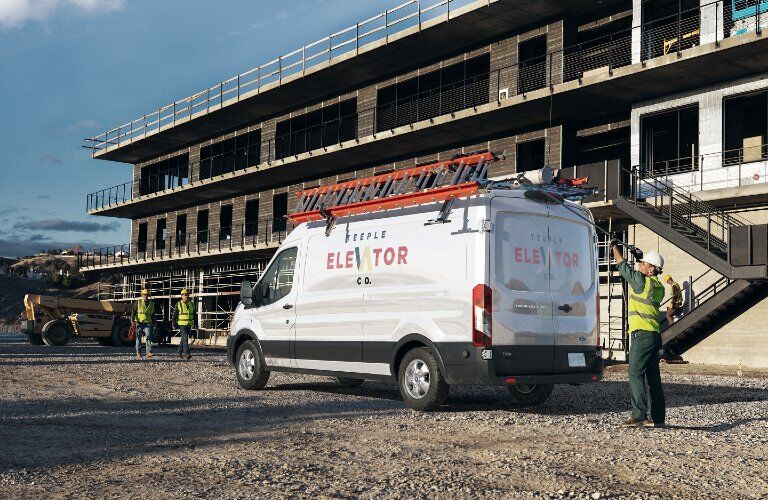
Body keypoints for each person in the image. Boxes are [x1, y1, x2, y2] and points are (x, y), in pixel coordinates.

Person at [611, 241, 666, 428]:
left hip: (642, 336)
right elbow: (638, 271)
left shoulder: (641, 282)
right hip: (654, 336)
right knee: (653, 378)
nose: (640, 265)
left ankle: (639, 415)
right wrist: (638, 256)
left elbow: (622, 266)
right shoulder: (658, 286)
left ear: (651, 269)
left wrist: (614, 247)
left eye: (644, 264)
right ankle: (658, 418)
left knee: (635, 373)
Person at [172, 288, 195, 360]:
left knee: (183, 339)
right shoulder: (178, 304)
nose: (186, 296)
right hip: (181, 324)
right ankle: (187, 354)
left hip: (189, 324)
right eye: (184, 295)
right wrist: (173, 324)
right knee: (185, 338)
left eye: (187, 295)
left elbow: (195, 314)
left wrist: (196, 324)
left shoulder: (191, 304)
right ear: (182, 296)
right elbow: (174, 315)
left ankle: (179, 353)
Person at [132, 289, 155, 359]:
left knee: (149, 337)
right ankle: (138, 353)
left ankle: (148, 352)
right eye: (145, 294)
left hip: (148, 322)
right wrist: (132, 322)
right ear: (142, 295)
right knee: (138, 338)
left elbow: (153, 314)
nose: (146, 296)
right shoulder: (138, 303)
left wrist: (155, 323)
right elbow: (133, 312)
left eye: (147, 295)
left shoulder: (151, 304)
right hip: (139, 323)